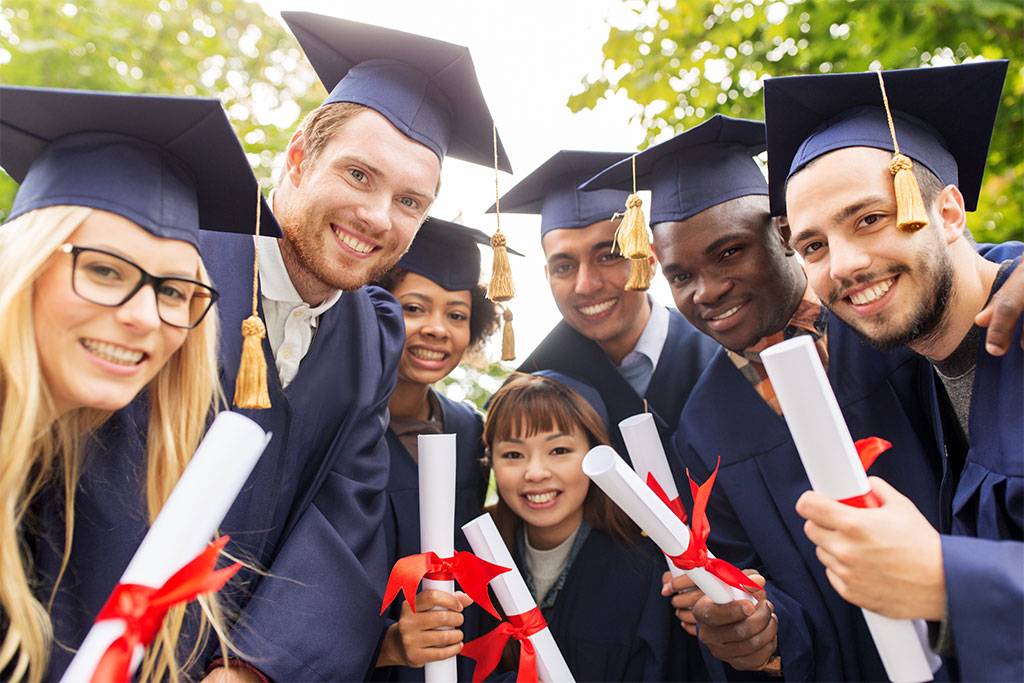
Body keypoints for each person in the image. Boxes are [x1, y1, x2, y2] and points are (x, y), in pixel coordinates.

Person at [583, 113, 964, 681]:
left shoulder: (894, 326)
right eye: (680, 275)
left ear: (785, 236)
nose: (707, 291)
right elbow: (760, 586)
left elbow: (964, 275)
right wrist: (759, 625)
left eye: (730, 252)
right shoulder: (704, 426)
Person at [0, 86, 277, 682]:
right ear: (25, 267)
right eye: (103, 269)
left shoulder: (108, 484)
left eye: (175, 291)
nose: (146, 316)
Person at [764, 60, 1022, 681]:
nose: (845, 265)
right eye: (813, 246)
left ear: (951, 212)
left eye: (870, 218)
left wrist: (944, 577)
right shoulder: (912, 372)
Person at [480, 371, 708, 682]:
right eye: (513, 454)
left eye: (559, 450)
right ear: (490, 460)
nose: (535, 473)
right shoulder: (471, 565)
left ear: (594, 453)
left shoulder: (645, 569)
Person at [501, 150, 717, 459]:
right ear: (547, 276)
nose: (586, 285)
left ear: (649, 258)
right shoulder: (538, 382)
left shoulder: (720, 353)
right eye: (564, 267)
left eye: (608, 256)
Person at [368, 217, 506, 678]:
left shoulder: (469, 430)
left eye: (457, 315)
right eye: (413, 308)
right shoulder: (342, 427)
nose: (437, 329)